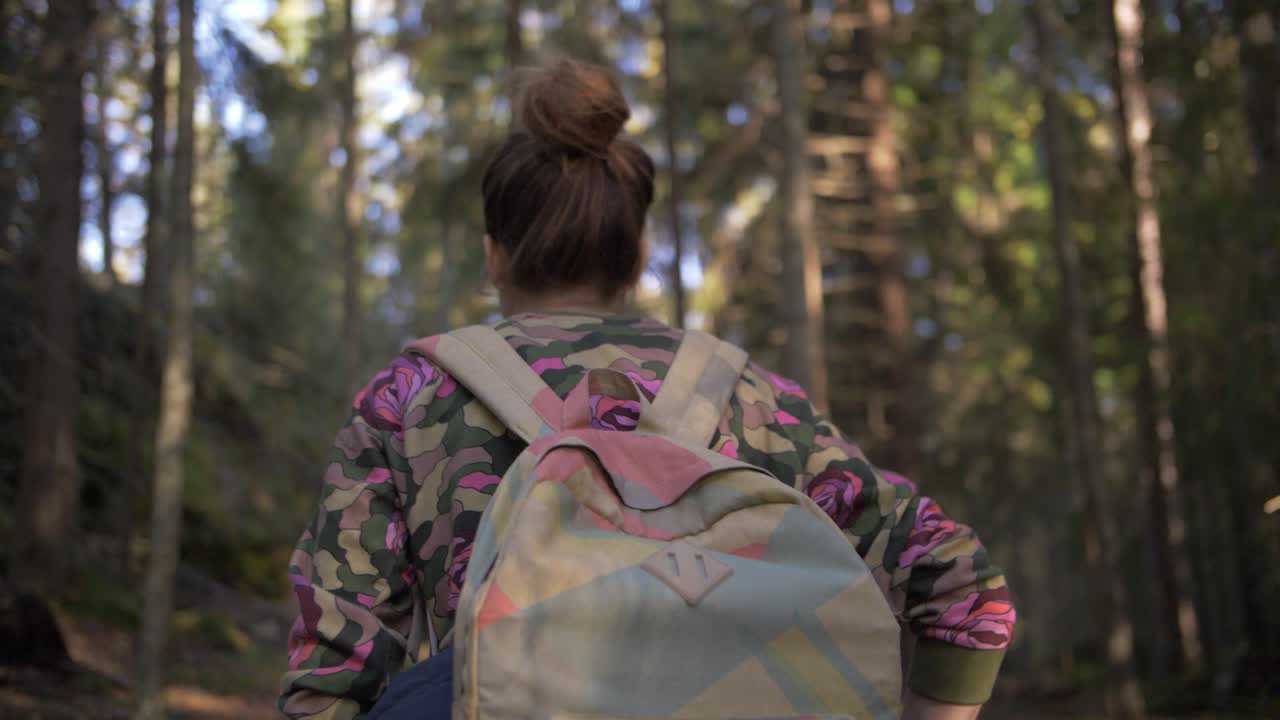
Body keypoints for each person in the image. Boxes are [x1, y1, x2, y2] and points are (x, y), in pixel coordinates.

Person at [279, 59, 1015, 720]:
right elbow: (962, 586)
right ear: (638, 253)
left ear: (493, 256)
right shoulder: (753, 399)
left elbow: (333, 678)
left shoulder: (406, 399)